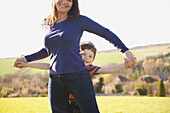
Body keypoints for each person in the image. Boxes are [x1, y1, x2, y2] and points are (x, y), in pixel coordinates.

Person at [13, 0, 136, 112]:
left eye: (70, 0)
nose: (65, 2)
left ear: (73, 3)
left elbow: (105, 32)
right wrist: (26, 59)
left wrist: (125, 51)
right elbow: (49, 50)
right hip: (55, 80)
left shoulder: (79, 20)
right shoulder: (46, 22)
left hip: (78, 77)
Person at [16, 41, 136, 113]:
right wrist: (27, 64)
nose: (86, 58)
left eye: (90, 56)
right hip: (65, 103)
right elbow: (47, 66)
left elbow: (108, 69)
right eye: (83, 54)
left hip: (81, 104)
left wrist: (125, 65)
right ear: (75, 54)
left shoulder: (88, 69)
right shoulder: (66, 65)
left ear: (93, 59)